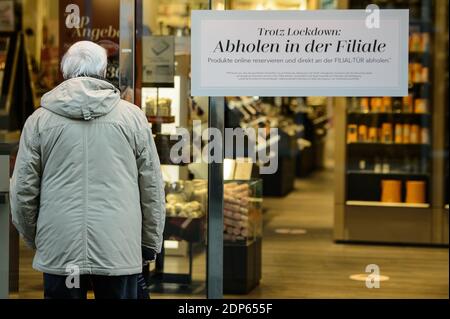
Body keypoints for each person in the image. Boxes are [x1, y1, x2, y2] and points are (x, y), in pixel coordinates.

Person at [9, 41, 166, 299]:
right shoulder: (132, 118)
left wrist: (37, 237)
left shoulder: (39, 121)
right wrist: (149, 242)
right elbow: (151, 187)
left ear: (65, 72)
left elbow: (23, 190)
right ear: (104, 71)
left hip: (60, 245)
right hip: (117, 244)